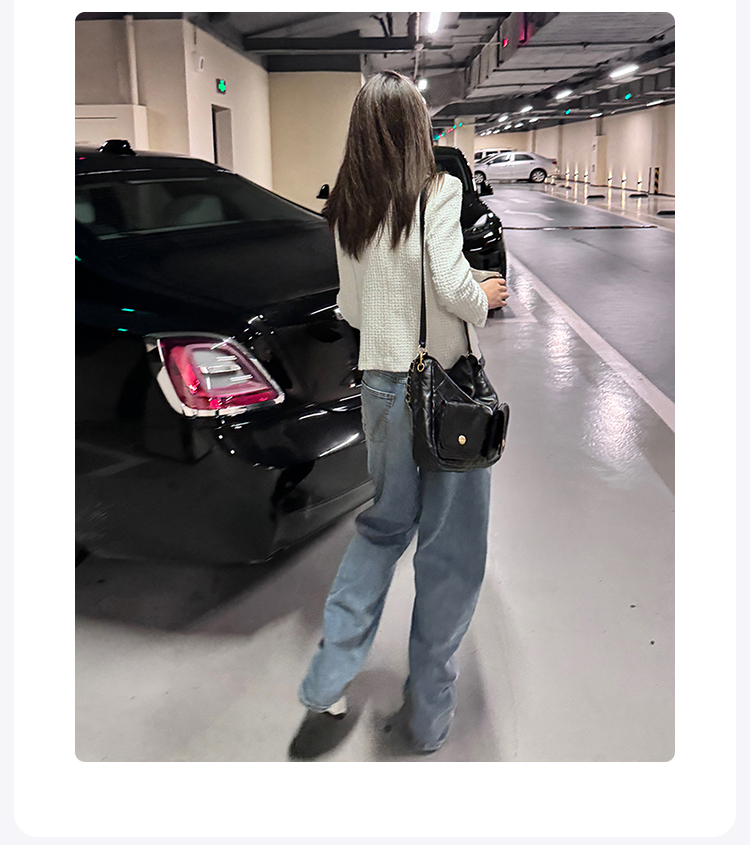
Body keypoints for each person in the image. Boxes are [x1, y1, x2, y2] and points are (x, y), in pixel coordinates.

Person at [293, 71, 509, 757]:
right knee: (450, 552)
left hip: (382, 391)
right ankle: (428, 716)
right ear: (417, 128)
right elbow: (451, 285)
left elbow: (352, 309)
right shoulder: (438, 191)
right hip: (445, 396)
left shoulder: (346, 205)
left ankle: (327, 680)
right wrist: (484, 296)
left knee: (382, 529)